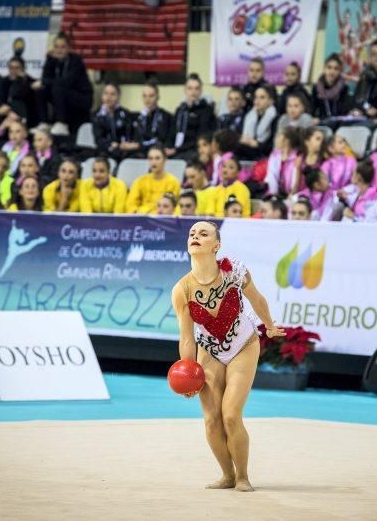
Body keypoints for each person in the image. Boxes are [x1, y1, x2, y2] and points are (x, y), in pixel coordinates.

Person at [170, 220, 284, 492]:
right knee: (211, 419)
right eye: (192, 233)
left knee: (231, 415)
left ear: (216, 245)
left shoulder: (233, 271)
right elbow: (187, 337)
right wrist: (188, 373)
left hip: (244, 343)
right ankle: (227, 475)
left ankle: (243, 476)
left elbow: (256, 299)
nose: (195, 236)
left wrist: (268, 324)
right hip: (208, 350)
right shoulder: (182, 290)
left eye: (204, 233)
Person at [34, 33, 94, 137]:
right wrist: (49, 59)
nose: (59, 50)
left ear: (69, 49)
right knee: (41, 89)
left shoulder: (76, 61)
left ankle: (61, 123)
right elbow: (45, 78)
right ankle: (44, 123)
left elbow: (67, 82)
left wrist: (45, 81)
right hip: (63, 96)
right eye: (56, 47)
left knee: (58, 86)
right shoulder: (53, 61)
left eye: (63, 47)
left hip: (82, 98)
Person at [126, 145, 181, 214]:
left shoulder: (173, 182)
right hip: (143, 219)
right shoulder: (140, 181)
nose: (153, 162)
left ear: (165, 160)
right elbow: (131, 206)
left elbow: (177, 207)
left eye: (157, 158)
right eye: (150, 158)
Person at [173, 73, 216, 159]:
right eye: (190, 88)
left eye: (196, 88)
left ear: (201, 91)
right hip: (178, 150)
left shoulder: (207, 111)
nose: (193, 92)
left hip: (195, 151)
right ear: (185, 90)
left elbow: (202, 135)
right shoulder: (180, 110)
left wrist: (179, 149)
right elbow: (173, 131)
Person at [128, 81, 175, 157]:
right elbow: (135, 140)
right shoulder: (138, 118)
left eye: (151, 96)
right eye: (145, 96)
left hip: (158, 154)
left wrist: (139, 146)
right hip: (140, 155)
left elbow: (159, 140)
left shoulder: (166, 117)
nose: (147, 99)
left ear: (158, 97)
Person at [92, 82, 133, 161]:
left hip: (123, 149)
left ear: (118, 96)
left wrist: (122, 145)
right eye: (106, 93)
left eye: (112, 94)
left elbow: (129, 134)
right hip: (105, 150)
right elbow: (98, 138)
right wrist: (110, 144)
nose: (108, 97)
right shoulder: (97, 115)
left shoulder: (125, 114)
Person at [237, 84, 278, 160]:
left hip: (266, 155)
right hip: (247, 152)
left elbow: (273, 146)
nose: (257, 101)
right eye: (256, 97)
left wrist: (256, 144)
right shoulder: (249, 116)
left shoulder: (275, 118)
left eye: (262, 97)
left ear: (271, 101)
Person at [311, 53, 353, 120]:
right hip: (321, 123)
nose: (332, 71)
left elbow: (345, 111)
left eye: (336, 69)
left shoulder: (344, 88)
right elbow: (312, 110)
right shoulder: (316, 88)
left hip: (338, 123)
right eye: (329, 67)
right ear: (324, 69)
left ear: (340, 71)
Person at [264, 126, 304, 196]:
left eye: (278, 136)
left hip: (294, 194)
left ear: (287, 141)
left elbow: (296, 184)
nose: (275, 139)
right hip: (276, 193)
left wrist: (290, 197)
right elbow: (272, 176)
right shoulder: (274, 155)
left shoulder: (298, 157)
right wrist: (274, 196)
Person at [2, 56, 38, 128]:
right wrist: (9, 112)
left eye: (16, 68)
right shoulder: (4, 81)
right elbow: (0, 100)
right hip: (7, 113)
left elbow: (27, 99)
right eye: (11, 68)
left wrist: (22, 80)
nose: (13, 71)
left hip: (26, 115)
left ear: (23, 69)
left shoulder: (29, 82)